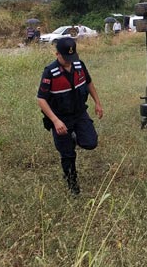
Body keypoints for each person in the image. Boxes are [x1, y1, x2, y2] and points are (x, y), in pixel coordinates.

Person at [37, 37, 104, 196]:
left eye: (71, 58)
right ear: (57, 54)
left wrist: (98, 103)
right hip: (61, 118)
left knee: (91, 142)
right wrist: (55, 121)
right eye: (65, 58)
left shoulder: (79, 65)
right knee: (67, 155)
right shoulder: (50, 73)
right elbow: (41, 99)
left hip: (80, 113)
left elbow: (88, 83)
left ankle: (74, 137)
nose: (69, 61)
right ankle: (73, 187)